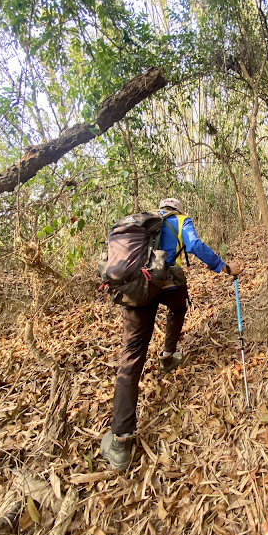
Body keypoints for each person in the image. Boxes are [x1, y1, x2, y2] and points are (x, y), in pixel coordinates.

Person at [100, 197, 242, 470]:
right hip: (164, 282)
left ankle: (120, 441)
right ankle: (167, 354)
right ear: (176, 208)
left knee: (131, 356)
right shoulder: (180, 221)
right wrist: (224, 267)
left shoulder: (140, 221)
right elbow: (195, 245)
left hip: (136, 290)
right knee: (178, 307)